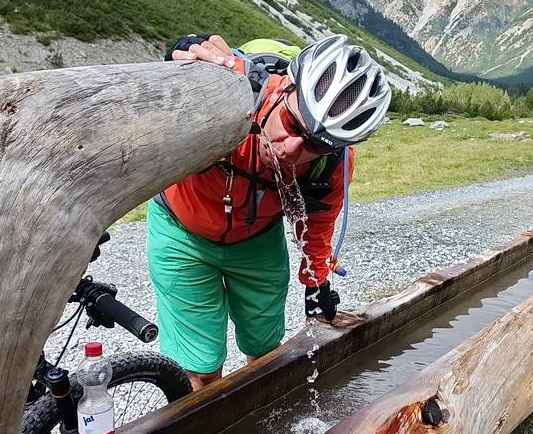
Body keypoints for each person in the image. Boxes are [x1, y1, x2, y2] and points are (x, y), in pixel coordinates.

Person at [148, 33, 391, 390]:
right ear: (284, 88)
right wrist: (178, 57)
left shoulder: (333, 166)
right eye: (293, 125)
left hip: (257, 241)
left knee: (265, 354)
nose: (291, 149)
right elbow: (158, 100)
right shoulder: (227, 84)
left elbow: (319, 222)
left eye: (315, 145)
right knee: (201, 367)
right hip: (181, 234)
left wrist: (316, 282)